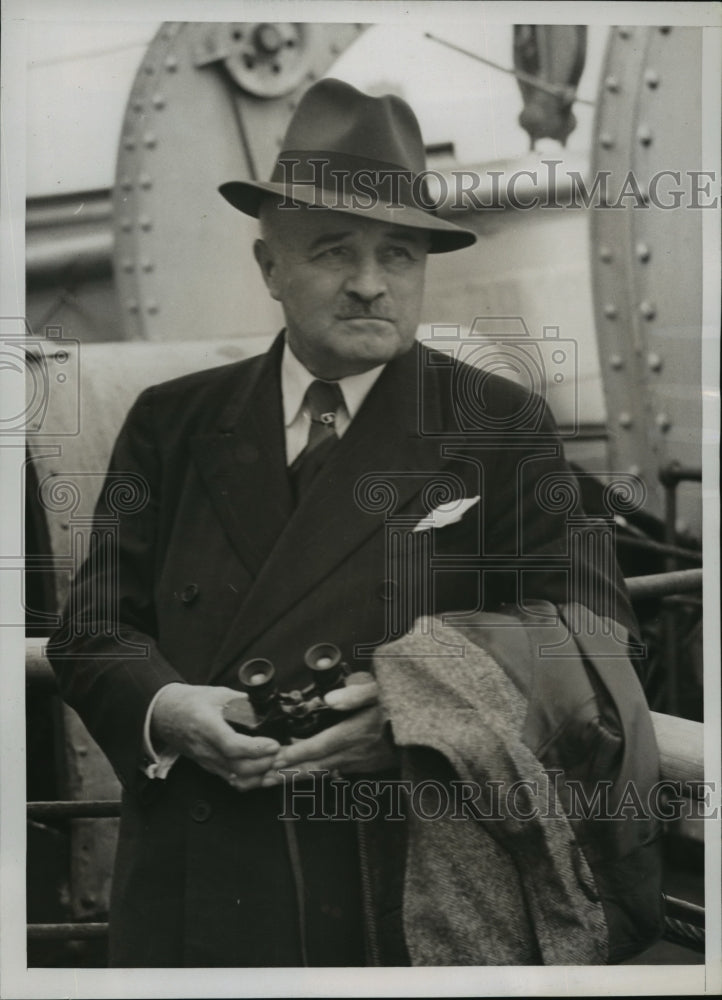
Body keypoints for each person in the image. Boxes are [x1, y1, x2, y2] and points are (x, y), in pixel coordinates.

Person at [48, 79, 645, 967]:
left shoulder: (498, 423)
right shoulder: (169, 423)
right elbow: (93, 630)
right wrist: (165, 709)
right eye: (335, 251)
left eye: (399, 255)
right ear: (270, 267)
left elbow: (596, 635)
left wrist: (419, 712)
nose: (371, 285)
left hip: (399, 882)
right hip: (198, 884)